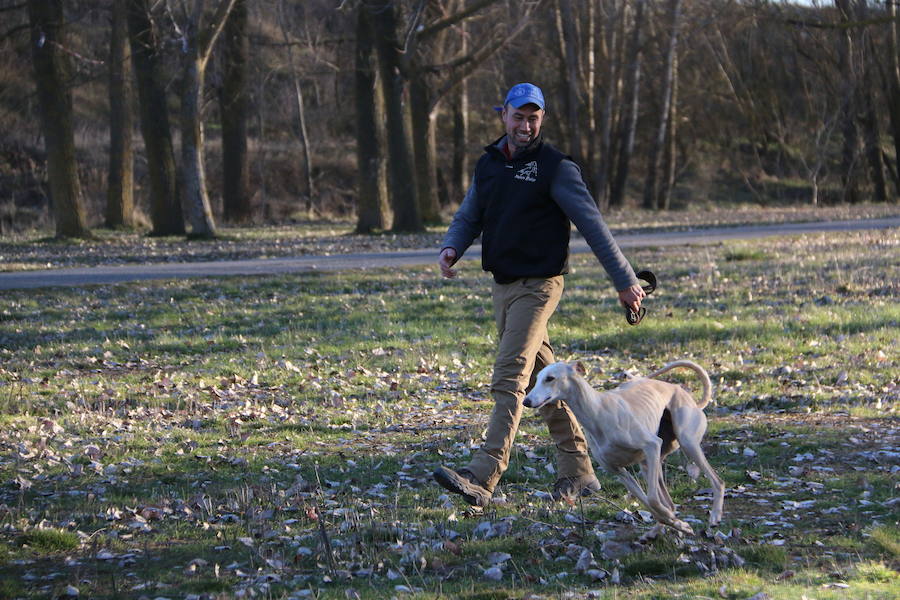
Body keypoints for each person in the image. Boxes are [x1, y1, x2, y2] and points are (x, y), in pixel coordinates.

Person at [433, 82, 645, 506]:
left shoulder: (555, 167)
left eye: (534, 117)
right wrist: (452, 247)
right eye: (519, 116)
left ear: (541, 119)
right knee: (540, 379)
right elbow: (470, 213)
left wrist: (625, 280)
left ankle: (484, 473)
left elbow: (592, 226)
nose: (526, 125)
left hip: (540, 284)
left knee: (510, 373)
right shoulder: (489, 163)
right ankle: (579, 471)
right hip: (504, 286)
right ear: (504, 116)